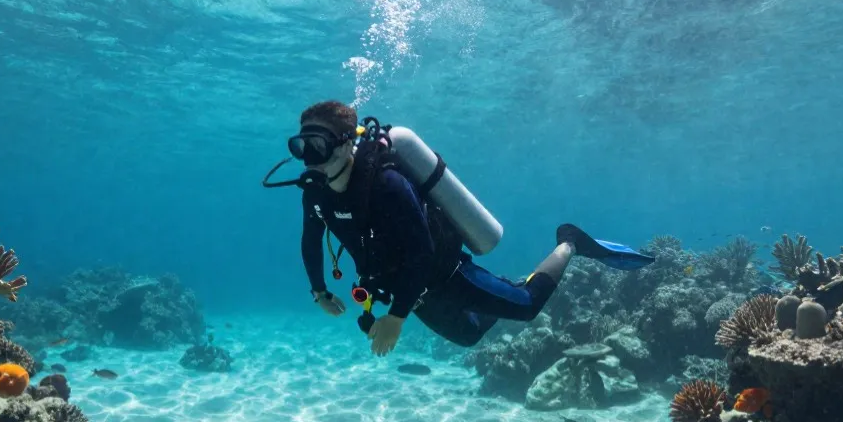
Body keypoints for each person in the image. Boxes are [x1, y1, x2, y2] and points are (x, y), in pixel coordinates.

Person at [279, 101, 654, 357]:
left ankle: (570, 241)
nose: (308, 160)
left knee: (526, 308)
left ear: (346, 145)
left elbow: (422, 253)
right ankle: (510, 283)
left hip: (443, 273)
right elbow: (310, 238)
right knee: (469, 335)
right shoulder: (316, 192)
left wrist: (396, 317)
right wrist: (319, 291)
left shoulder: (386, 185)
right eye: (301, 147)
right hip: (406, 287)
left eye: (318, 146)